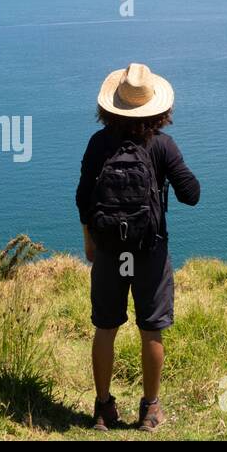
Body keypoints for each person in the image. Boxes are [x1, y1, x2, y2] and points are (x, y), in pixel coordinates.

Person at [76, 63, 201, 432]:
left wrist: (90, 242)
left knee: (105, 328)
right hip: (150, 251)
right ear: (158, 107)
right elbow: (192, 195)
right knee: (152, 330)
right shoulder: (162, 144)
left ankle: (102, 409)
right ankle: (149, 410)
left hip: (111, 251)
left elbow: (83, 198)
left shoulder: (99, 143)